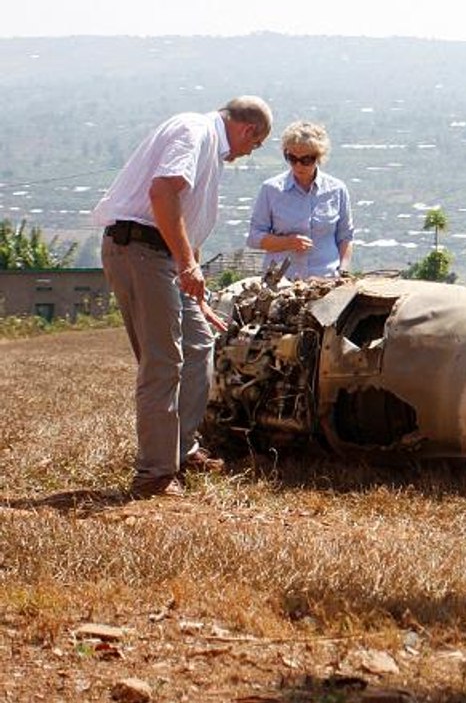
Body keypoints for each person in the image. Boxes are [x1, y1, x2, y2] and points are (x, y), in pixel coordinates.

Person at [93, 96, 273, 498]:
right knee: (163, 361)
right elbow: (163, 193)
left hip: (165, 256)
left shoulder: (209, 143)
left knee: (198, 344)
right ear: (248, 130)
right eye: (255, 144)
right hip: (141, 249)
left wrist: (191, 280)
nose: (249, 152)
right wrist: (187, 263)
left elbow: (182, 212)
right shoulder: (195, 131)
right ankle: (154, 474)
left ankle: (181, 449)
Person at [247, 121, 354, 278]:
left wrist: (343, 271)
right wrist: (288, 242)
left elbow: (345, 237)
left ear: (318, 157)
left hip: (326, 280)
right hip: (282, 281)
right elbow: (254, 238)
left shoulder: (337, 190)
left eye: (306, 160)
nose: (298, 165)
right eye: (292, 158)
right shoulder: (271, 189)